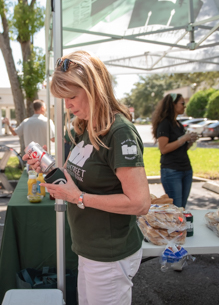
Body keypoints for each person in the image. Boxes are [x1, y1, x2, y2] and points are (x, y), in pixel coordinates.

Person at [24, 51, 151, 305]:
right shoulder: (85, 127)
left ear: (94, 88)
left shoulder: (119, 131)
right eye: (63, 98)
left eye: (72, 96)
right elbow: (82, 177)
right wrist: (49, 170)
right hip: (90, 250)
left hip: (109, 254)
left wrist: (78, 197)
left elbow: (140, 203)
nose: (67, 105)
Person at [151, 93, 198, 208]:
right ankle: (177, 226)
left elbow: (182, 148)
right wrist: (183, 139)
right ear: (173, 104)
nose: (184, 106)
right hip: (172, 171)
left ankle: (181, 226)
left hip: (185, 169)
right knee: (176, 208)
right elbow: (164, 149)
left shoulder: (178, 124)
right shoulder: (165, 124)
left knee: (182, 207)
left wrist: (190, 141)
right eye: (182, 103)